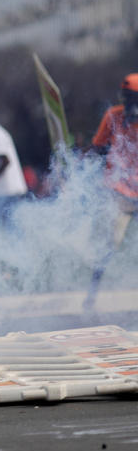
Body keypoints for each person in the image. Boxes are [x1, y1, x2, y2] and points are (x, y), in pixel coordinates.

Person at [84, 73, 138, 308]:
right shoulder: (113, 116)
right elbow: (96, 148)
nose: (127, 102)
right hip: (119, 190)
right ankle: (92, 296)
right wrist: (79, 167)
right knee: (109, 245)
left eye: (132, 97)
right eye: (125, 97)